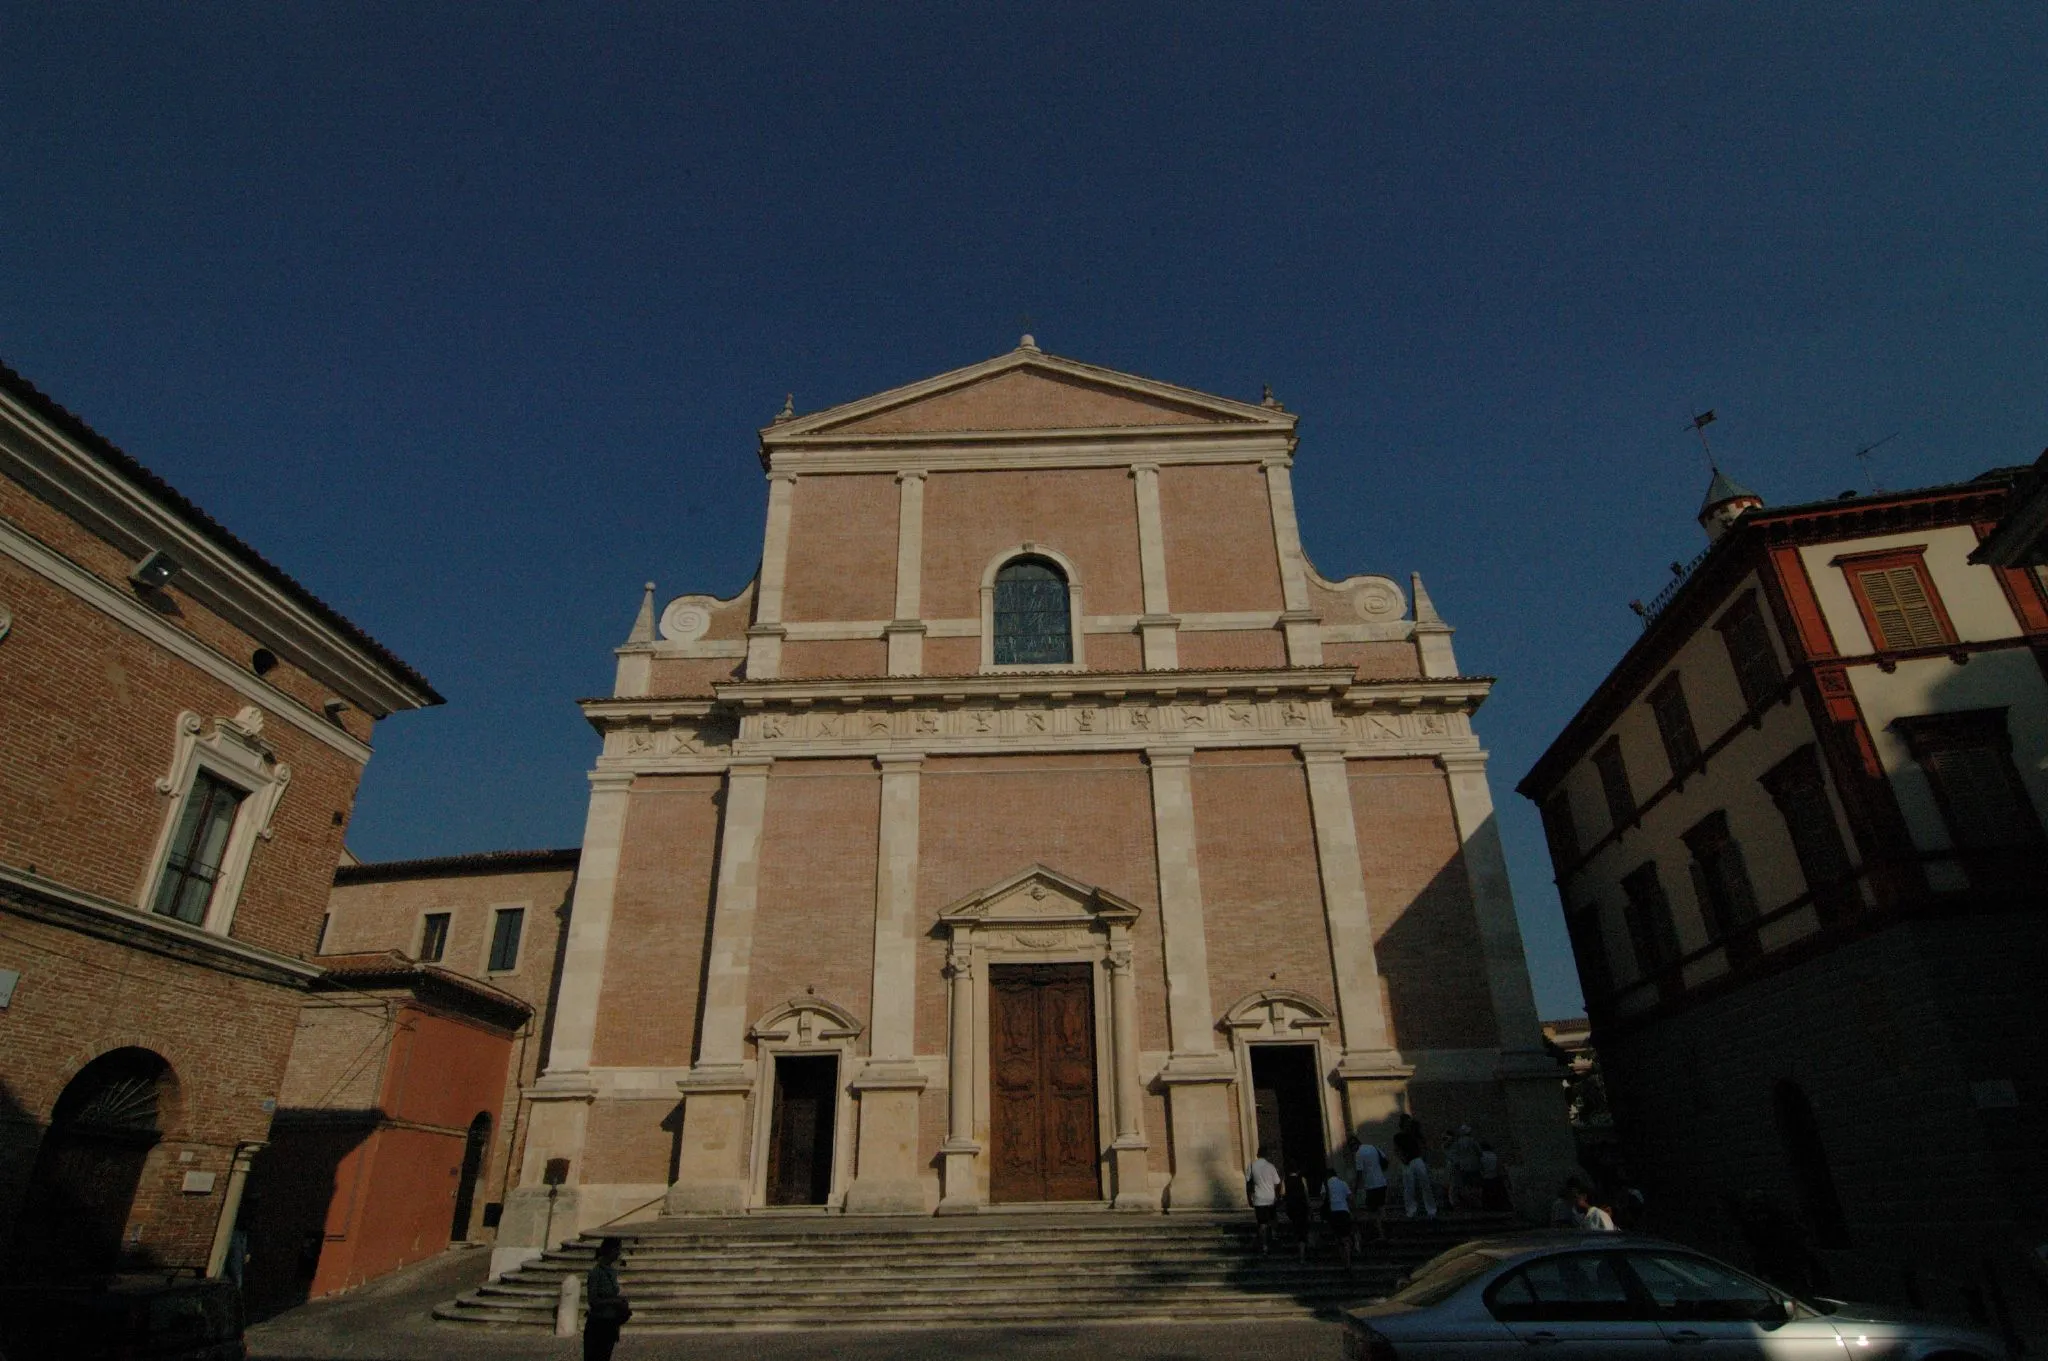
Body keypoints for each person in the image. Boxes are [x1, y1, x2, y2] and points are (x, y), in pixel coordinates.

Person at [584, 1236, 631, 1361]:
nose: (619, 1253)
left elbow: (610, 1294)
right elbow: (593, 1300)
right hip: (598, 1324)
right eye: (617, 1250)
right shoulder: (596, 1273)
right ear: (610, 1251)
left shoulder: (612, 1272)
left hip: (610, 1323)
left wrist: (621, 1301)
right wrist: (615, 1301)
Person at [1352, 1133, 1390, 1243]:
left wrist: (1355, 1188)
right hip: (1381, 1182)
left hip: (1371, 1185)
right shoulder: (1373, 1147)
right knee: (1382, 1208)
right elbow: (1385, 1159)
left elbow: (1359, 1172)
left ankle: (1380, 1233)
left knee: (1373, 1211)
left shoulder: (1359, 1154)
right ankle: (1386, 1231)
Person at [1245, 1146, 1283, 1254]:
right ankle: (1274, 1237)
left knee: (1262, 1223)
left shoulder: (1252, 1166)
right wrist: (1277, 1194)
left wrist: (1249, 1198)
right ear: (1267, 1155)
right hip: (1270, 1198)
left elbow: (1248, 1183)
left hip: (1259, 1199)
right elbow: (1277, 1182)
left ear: (1257, 1154)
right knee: (1272, 1220)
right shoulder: (1271, 1167)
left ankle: (1264, 1245)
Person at [1322, 1167, 1355, 1271]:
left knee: (1338, 1238)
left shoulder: (1325, 1185)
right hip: (1344, 1211)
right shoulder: (1343, 1183)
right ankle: (1348, 1261)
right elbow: (1350, 1198)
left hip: (1333, 1213)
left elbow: (1323, 1198)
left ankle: (1343, 1259)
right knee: (1346, 1238)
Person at [1447, 1125, 1483, 1211]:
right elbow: (1479, 1152)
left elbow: (1453, 1154)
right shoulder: (1473, 1141)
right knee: (1475, 1185)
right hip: (1474, 1166)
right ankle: (1476, 1202)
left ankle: (1468, 1203)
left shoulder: (1458, 1143)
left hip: (1463, 1166)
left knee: (1465, 1185)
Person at [1282, 1168, 1314, 1262]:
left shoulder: (1285, 1180)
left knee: (1296, 1227)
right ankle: (1302, 1255)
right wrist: (1310, 1207)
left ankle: (1299, 1251)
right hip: (1301, 1206)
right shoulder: (1302, 1179)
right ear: (1298, 1171)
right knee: (1302, 1230)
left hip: (1291, 1207)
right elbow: (1306, 1193)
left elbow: (1282, 1193)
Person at [1401, 1142, 1437, 1220]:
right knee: (1412, 1187)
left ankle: (1426, 1209)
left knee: (1422, 1186)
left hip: (1413, 1160)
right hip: (1410, 1161)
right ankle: (1414, 1209)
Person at [1479, 1140, 1510, 1212]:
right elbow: (1498, 1167)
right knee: (1496, 1194)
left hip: (1485, 1177)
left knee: (1486, 1195)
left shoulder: (1480, 1156)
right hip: (1494, 1176)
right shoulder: (1494, 1155)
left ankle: (1488, 1208)